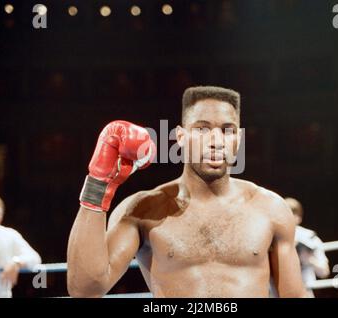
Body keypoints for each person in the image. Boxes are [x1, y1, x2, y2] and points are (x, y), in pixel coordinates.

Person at [67, 86, 307, 298]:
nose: (216, 141)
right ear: (181, 137)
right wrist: (98, 184)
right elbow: (85, 289)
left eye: (227, 130)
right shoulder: (144, 209)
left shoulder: (271, 209)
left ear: (239, 138)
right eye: (202, 129)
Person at [284, 197, 330, 297]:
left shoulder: (310, 238)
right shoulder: (271, 238)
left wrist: (309, 259)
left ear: (298, 218)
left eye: (291, 214)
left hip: (304, 290)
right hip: (277, 292)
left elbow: (324, 272)